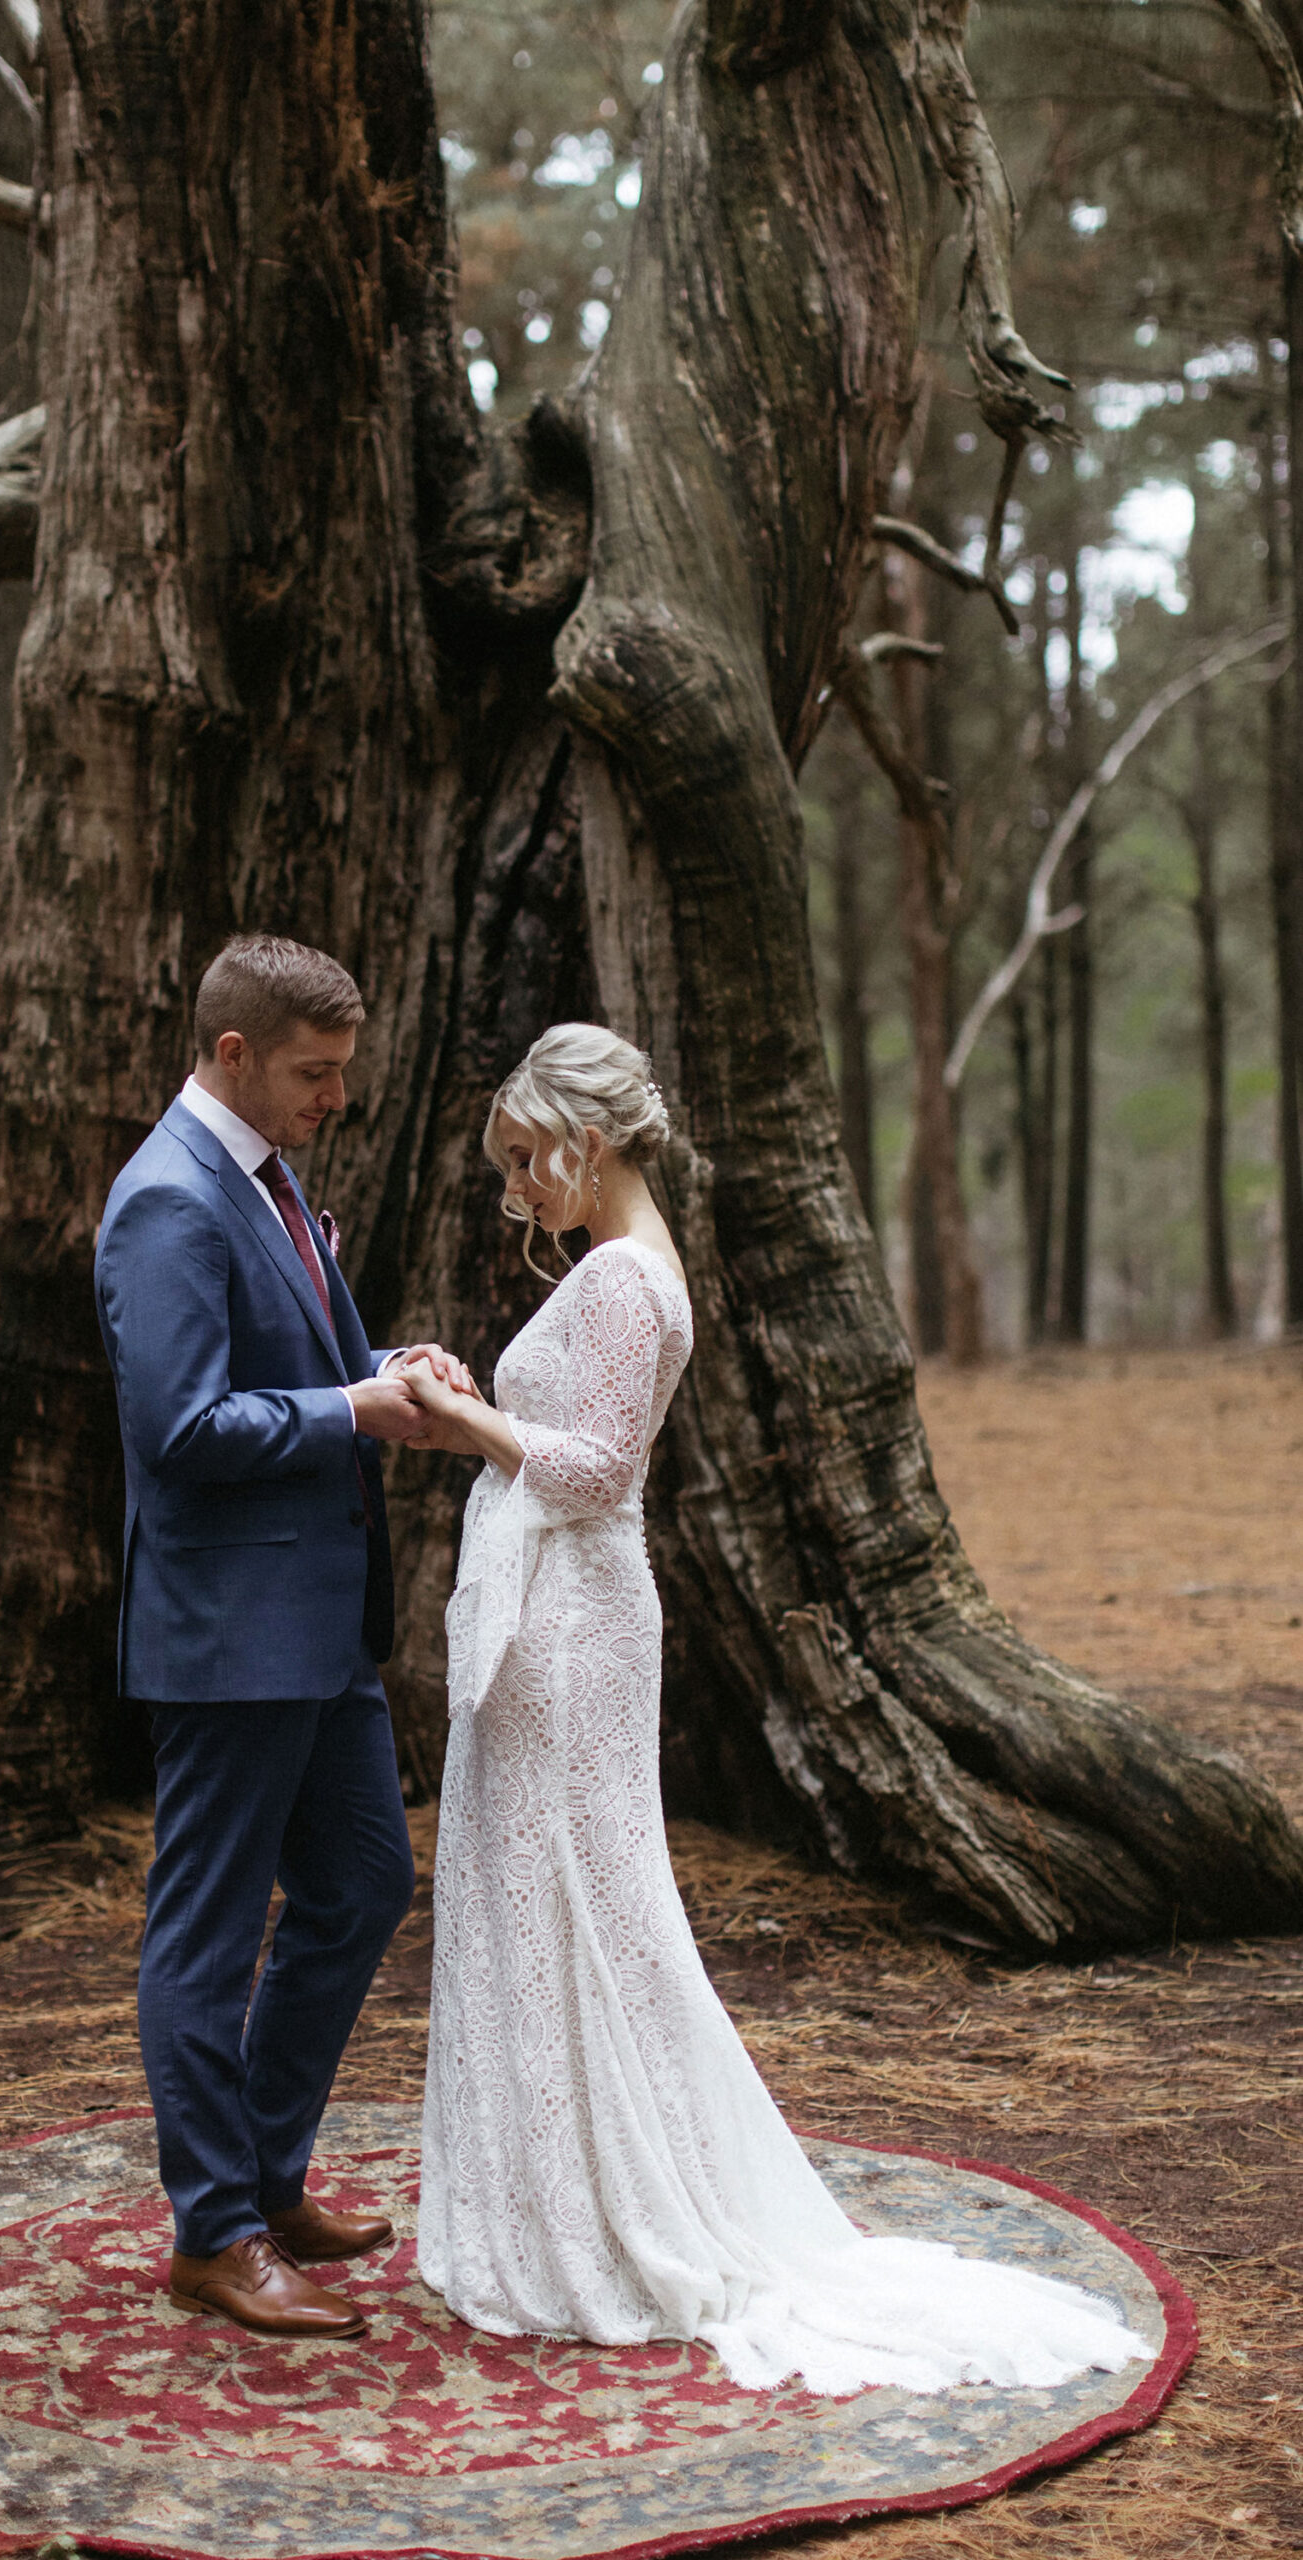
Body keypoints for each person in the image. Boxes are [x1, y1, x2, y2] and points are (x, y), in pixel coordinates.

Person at [399, 1022, 1151, 2395]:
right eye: (507, 1167)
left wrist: (466, 1427)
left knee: (581, 1893)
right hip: (557, 1606)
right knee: (546, 1891)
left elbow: (598, 1469)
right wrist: (475, 1395)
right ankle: (551, 2192)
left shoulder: (628, 1279)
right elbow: (564, 1438)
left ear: (590, 1136)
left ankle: (616, 2203)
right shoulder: (618, 1270)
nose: (518, 1191)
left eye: (526, 1161)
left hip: (577, 1618)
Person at [94, 934, 471, 2343]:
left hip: (320, 1627)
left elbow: (295, 1368)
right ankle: (214, 2235)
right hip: (227, 1635)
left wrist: (384, 1370)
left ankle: (264, 2176)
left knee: (364, 1886)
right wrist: (350, 1414)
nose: (335, 1097)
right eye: (315, 1073)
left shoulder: (266, 1171)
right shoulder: (167, 1203)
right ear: (235, 1055)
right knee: (201, 1941)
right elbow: (179, 1433)